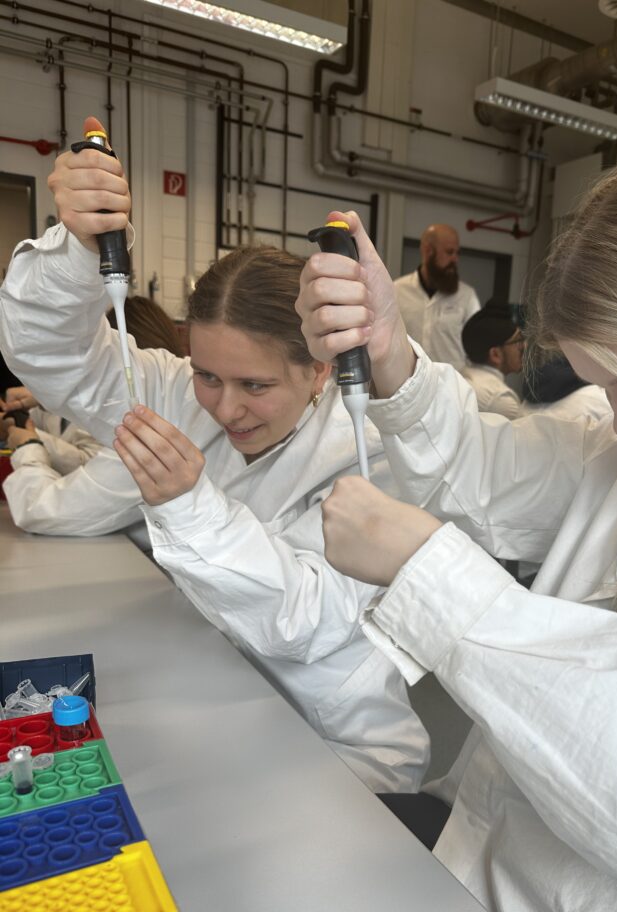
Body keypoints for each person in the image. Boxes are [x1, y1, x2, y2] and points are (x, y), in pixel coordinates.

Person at [296, 143, 617, 912]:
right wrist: (389, 354)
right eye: (600, 383)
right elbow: (487, 467)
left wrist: (442, 585)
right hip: (486, 892)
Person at [0, 117, 429, 796]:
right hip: (219, 704)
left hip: (339, 755)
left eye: (255, 386)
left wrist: (189, 506)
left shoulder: (373, 460)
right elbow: (55, 359)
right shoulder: (177, 394)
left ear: (319, 372)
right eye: (208, 374)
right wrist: (78, 256)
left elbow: (303, 621)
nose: (224, 409)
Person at [1, 297, 184, 547]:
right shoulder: (171, 401)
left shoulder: (150, 444)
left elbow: (41, 511)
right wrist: (49, 399)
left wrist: (28, 446)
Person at [393, 224, 480, 371]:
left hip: (450, 388)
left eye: (457, 253)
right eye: (449, 252)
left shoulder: (467, 296)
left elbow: (477, 347)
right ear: (428, 251)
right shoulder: (397, 291)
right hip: (408, 387)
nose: (455, 259)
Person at [460, 299, 525, 418]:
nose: (523, 346)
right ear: (495, 355)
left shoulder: (462, 377)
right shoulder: (500, 400)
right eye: (518, 341)